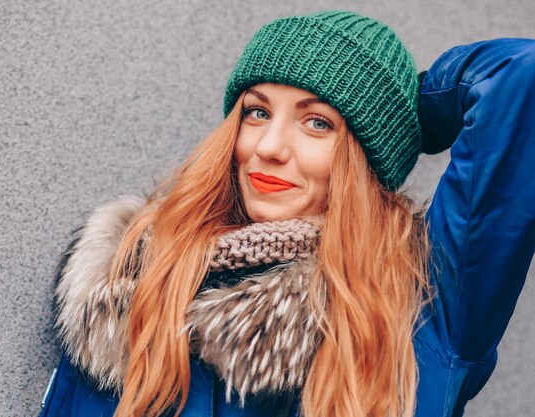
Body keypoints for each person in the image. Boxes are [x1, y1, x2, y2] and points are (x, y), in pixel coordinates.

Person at [38, 10, 535, 417]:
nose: (270, 147)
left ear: (364, 159)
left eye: (317, 122)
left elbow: (520, 79)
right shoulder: (132, 279)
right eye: (257, 112)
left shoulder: (423, 304)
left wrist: (408, 113)